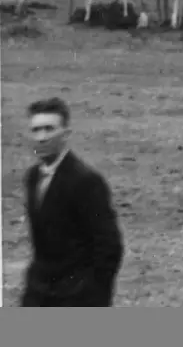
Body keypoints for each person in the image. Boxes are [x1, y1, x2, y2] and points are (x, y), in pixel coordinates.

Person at [21, 98, 124, 307]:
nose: (42, 138)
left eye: (49, 129)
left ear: (65, 134)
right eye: (36, 130)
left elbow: (109, 247)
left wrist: (91, 296)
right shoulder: (32, 177)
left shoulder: (85, 181)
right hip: (39, 292)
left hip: (76, 297)